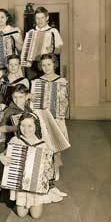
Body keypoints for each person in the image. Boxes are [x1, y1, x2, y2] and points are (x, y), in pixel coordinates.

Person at [0, 113, 55, 219]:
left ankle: (34, 202)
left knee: (36, 215)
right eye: (22, 126)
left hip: (35, 187)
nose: (26, 129)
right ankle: (20, 202)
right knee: (21, 214)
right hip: (20, 185)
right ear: (19, 126)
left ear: (36, 126)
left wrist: (47, 170)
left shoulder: (43, 144)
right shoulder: (15, 141)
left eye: (30, 126)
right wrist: (2, 157)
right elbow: (3, 154)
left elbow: (49, 169)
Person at [36, 53, 69, 181]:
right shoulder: (38, 82)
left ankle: (56, 167)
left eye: (49, 64)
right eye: (43, 65)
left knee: (56, 145)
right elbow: (35, 102)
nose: (46, 67)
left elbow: (65, 101)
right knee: (46, 143)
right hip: (43, 117)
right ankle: (46, 169)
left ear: (54, 64)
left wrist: (61, 116)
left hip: (57, 118)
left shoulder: (61, 81)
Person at [0, 9, 23, 80]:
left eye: (2, 17)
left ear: (7, 18)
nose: (0, 20)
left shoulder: (14, 30)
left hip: (13, 66)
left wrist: (13, 40)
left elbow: (21, 49)